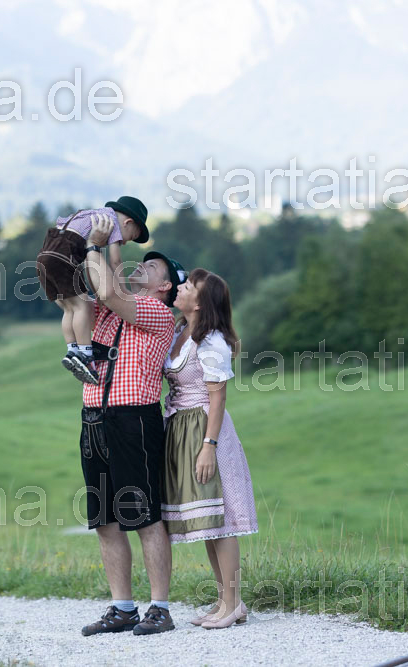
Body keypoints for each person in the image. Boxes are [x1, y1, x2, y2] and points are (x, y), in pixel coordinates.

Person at [77, 213, 187, 637]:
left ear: (165, 286)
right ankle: (123, 607)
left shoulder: (158, 313)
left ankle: (160, 608)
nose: (143, 265)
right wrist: (97, 249)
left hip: (133, 419)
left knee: (143, 516)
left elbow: (109, 290)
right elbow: (91, 293)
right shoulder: (112, 308)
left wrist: (96, 244)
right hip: (94, 418)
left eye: (152, 266)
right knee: (104, 520)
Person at [161, 268, 258, 629]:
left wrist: (208, 446)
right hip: (182, 428)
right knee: (207, 522)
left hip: (205, 429)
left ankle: (231, 604)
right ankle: (226, 601)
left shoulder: (211, 341)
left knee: (222, 520)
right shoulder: (180, 331)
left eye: (188, 287)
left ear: (200, 302)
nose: (180, 288)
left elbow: (218, 399)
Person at [35, 196, 150, 385]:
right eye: (130, 237)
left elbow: (93, 264)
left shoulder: (93, 216)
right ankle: (86, 355)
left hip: (45, 256)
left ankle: (72, 350)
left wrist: (97, 291)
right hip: (64, 255)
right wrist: (123, 291)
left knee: (69, 308)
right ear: (128, 222)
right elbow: (115, 261)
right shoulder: (111, 222)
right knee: (82, 307)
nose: (125, 243)